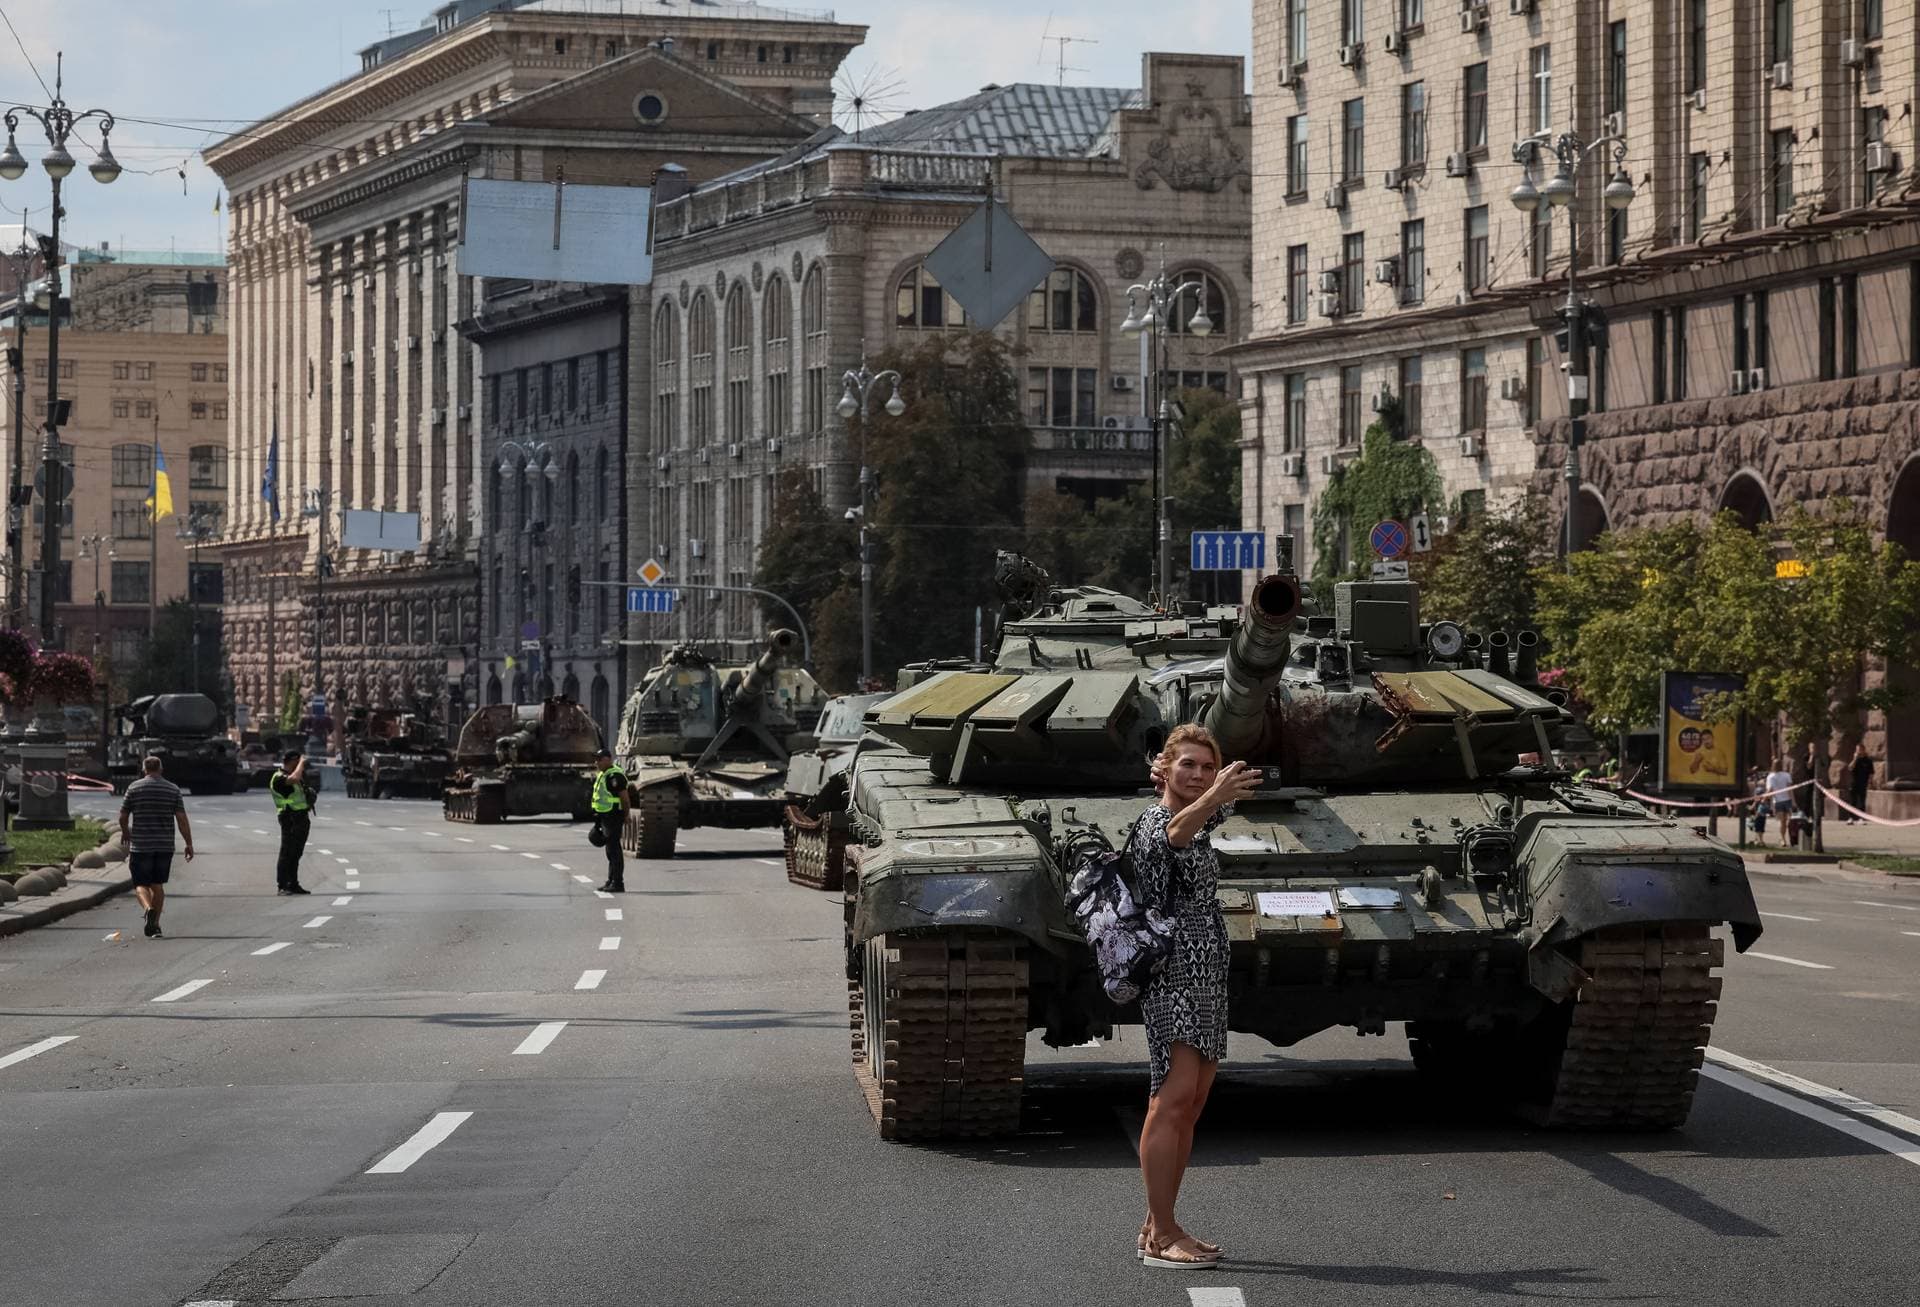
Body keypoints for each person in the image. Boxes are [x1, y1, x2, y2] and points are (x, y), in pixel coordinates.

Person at [1132, 724, 1260, 1269]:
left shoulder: (1203, 816)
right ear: (1164, 768)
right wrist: (1210, 795)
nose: (1200, 775)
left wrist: (1219, 790)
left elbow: (1205, 817)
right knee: (1172, 1096)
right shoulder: (1157, 822)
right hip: (1172, 970)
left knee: (1192, 1102)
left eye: (1208, 767)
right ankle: (1163, 1235)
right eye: (1188, 764)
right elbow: (1176, 834)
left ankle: (1160, 1221)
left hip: (1207, 970)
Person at [118, 755, 194, 939]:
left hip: (141, 846)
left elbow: (123, 815)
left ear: (144, 770)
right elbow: (181, 819)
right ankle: (155, 925)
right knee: (157, 885)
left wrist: (126, 832)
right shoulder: (173, 789)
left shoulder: (134, 788)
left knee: (140, 885)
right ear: (161, 769)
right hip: (164, 846)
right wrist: (188, 843)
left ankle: (148, 908)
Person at [269, 750, 316, 895]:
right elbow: (293, 779)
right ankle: (282, 885)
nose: (301, 765)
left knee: (296, 853)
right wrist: (301, 763)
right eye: (298, 761)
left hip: (300, 818)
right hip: (289, 818)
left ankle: (293, 884)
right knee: (287, 852)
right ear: (292, 761)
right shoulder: (278, 778)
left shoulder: (296, 776)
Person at [590, 748, 629, 892]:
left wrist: (626, 815)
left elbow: (624, 798)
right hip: (604, 816)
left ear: (607, 759)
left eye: (599, 759)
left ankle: (618, 883)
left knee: (614, 850)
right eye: (596, 759)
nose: (596, 762)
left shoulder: (615, 775)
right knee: (609, 850)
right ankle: (611, 880)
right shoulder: (603, 774)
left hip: (613, 816)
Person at [1764, 755, 1796, 848]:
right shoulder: (1786, 775)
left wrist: (1764, 799)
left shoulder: (1771, 777)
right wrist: (1793, 801)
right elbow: (1790, 789)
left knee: (1783, 822)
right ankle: (1786, 838)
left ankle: (1783, 839)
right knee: (1787, 821)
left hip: (1778, 801)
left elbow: (1770, 789)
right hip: (1787, 800)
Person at [1848, 744, 1875, 823]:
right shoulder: (1855, 760)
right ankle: (1851, 818)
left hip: (1863, 783)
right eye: (1857, 750)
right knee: (1853, 801)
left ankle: (1861, 818)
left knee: (1862, 801)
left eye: (1859, 749)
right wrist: (1855, 759)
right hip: (1854, 783)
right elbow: (1850, 768)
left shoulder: (1868, 761)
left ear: (1863, 750)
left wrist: (1870, 782)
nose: (1858, 751)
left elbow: (1871, 773)